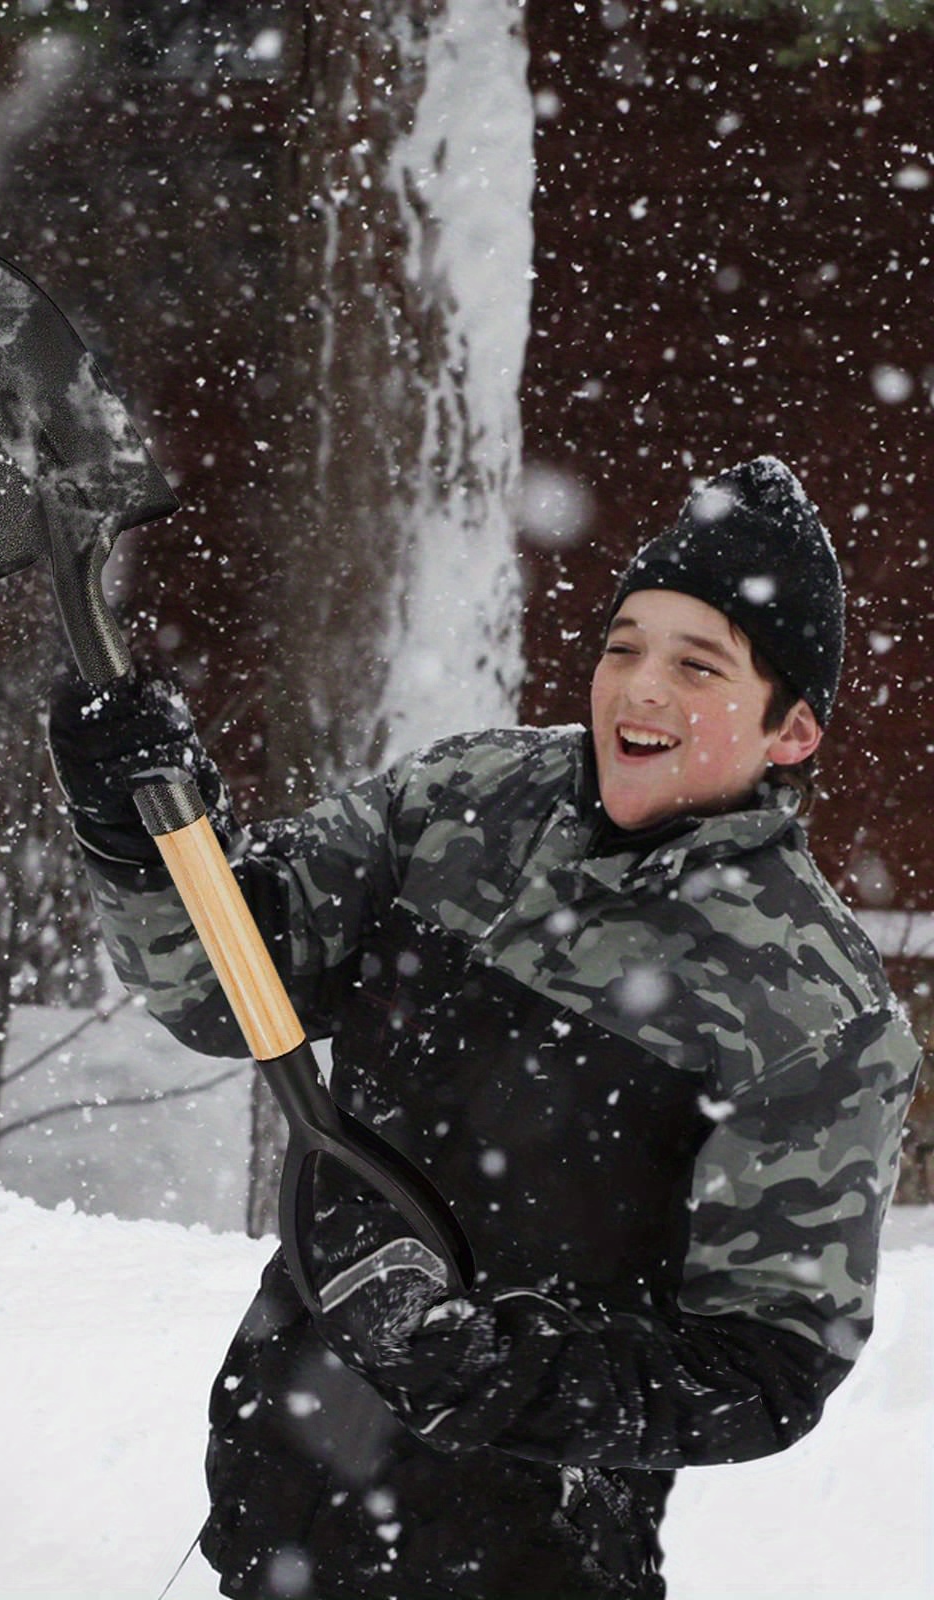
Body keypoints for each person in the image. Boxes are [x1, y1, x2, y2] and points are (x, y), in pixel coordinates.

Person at [47, 457, 921, 1599]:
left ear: (791, 730)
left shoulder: (815, 1011)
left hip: (522, 1556)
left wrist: (495, 1369)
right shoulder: (463, 801)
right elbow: (228, 981)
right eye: (624, 646)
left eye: (695, 664)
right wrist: (140, 831)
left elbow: (767, 1369)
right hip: (281, 1497)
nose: (638, 687)